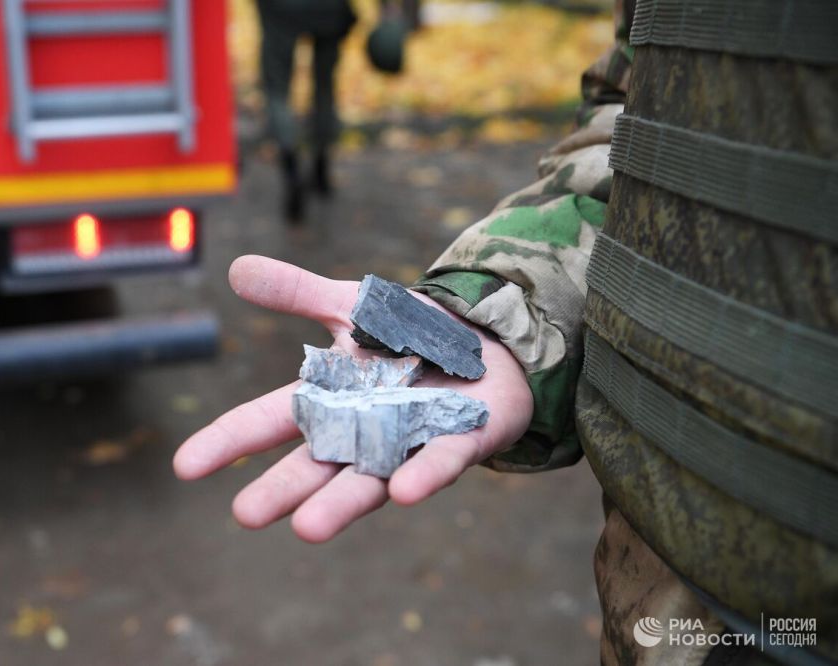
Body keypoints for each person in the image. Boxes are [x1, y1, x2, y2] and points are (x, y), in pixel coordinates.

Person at [176, 1, 837, 663]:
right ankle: (313, 156)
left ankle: (297, 155)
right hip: (664, 603)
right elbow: (633, 128)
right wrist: (508, 312)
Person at [254, 0, 356, 223]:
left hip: (280, 11)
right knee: (324, 87)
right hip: (329, 10)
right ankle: (321, 168)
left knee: (278, 91)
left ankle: (292, 172)